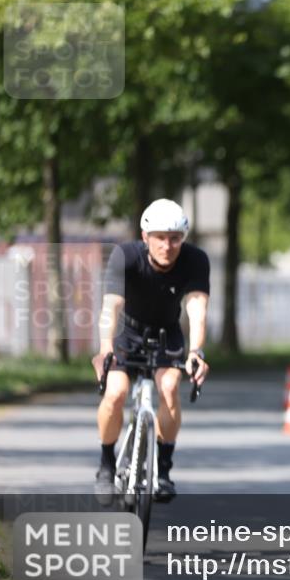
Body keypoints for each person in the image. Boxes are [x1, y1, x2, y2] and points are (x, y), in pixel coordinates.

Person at [91, 199, 210, 503]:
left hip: (166, 334)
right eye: (159, 237)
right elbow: (112, 305)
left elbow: (197, 308)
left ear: (183, 238)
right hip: (126, 332)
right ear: (145, 237)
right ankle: (106, 463)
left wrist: (197, 351)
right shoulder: (125, 256)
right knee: (116, 393)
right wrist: (105, 347)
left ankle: (164, 470)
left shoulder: (196, 260)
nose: (167, 245)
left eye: (174, 239)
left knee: (169, 388)